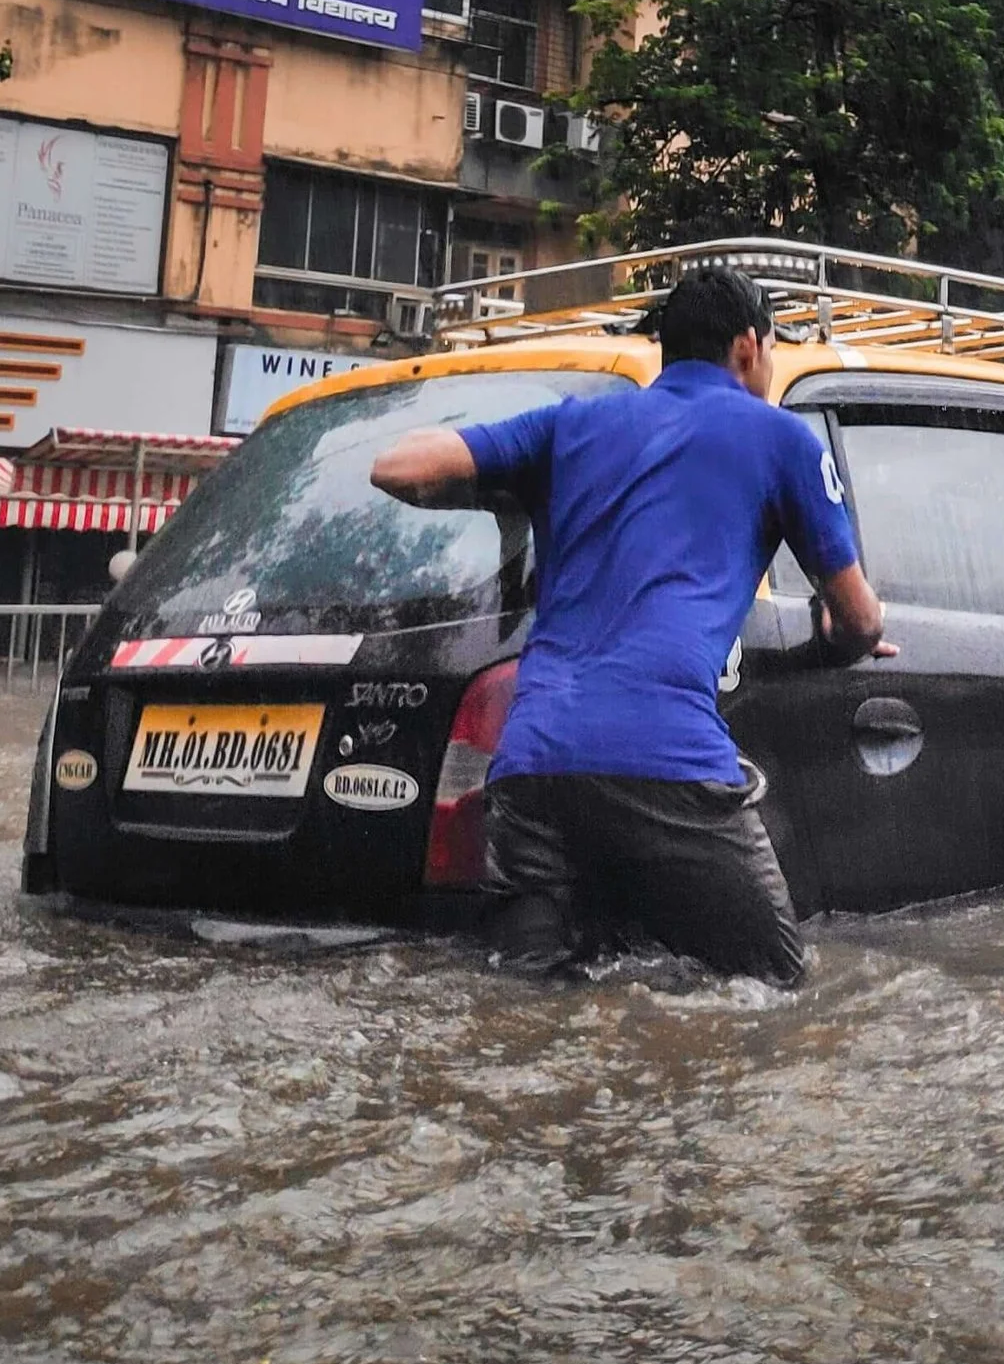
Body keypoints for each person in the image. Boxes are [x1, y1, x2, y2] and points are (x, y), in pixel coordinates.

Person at [368, 267, 891, 984]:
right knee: (776, 991)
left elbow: (397, 466)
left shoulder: (571, 424)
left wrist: (507, 488)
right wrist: (841, 637)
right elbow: (859, 617)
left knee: (527, 1002)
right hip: (669, 761)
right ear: (748, 347)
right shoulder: (782, 440)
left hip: (532, 768)